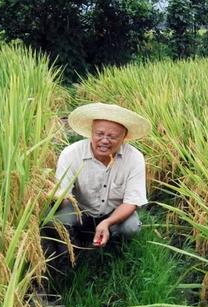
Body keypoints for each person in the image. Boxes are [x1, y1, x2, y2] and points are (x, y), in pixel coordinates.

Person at [44, 102, 152, 267]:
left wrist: (107, 223)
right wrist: (56, 198)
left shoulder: (134, 158)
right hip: (80, 212)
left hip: (114, 213)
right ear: (91, 133)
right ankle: (71, 254)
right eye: (99, 134)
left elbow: (132, 201)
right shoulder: (71, 154)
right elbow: (65, 197)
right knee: (56, 220)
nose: (104, 140)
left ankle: (114, 253)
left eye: (112, 136)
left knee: (131, 227)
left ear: (124, 138)